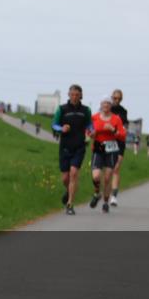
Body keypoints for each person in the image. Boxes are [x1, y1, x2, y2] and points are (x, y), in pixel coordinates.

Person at [52, 85, 93, 216]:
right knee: (65, 178)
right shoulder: (62, 109)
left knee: (74, 173)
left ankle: (70, 204)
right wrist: (61, 128)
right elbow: (54, 124)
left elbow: (89, 124)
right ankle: (70, 190)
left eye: (77, 95)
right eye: (72, 94)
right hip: (65, 146)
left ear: (81, 96)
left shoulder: (86, 110)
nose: (74, 97)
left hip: (79, 146)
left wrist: (91, 131)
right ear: (69, 95)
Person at [89, 96, 126, 213]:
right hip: (98, 148)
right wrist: (91, 134)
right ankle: (97, 193)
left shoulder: (116, 119)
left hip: (111, 149)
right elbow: (88, 131)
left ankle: (105, 202)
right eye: (104, 103)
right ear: (101, 105)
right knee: (96, 176)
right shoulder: (94, 117)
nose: (106, 105)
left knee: (107, 177)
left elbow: (123, 136)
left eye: (108, 104)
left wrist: (113, 130)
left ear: (111, 106)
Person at [109, 89, 129, 206]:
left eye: (119, 98)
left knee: (116, 168)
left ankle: (114, 196)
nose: (116, 100)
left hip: (119, 141)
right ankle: (104, 192)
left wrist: (122, 130)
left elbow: (124, 125)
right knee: (108, 170)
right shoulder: (106, 108)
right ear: (111, 97)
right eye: (115, 98)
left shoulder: (123, 111)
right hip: (107, 141)